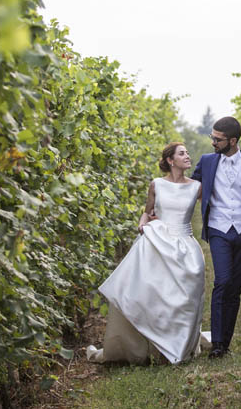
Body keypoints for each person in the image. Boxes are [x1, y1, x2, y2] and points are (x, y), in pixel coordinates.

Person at [86, 142, 207, 364]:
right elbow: (147, 212)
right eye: (182, 153)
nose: (188, 156)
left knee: (187, 297)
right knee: (156, 297)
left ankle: (181, 348)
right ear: (171, 160)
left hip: (185, 246)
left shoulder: (197, 186)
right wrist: (142, 225)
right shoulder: (156, 184)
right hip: (158, 242)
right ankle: (153, 347)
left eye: (188, 152)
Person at [188, 116, 241, 359]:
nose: (213, 142)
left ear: (233, 141)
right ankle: (216, 342)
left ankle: (224, 343)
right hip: (218, 229)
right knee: (222, 282)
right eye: (212, 137)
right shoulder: (206, 162)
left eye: (217, 139)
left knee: (235, 288)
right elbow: (187, 188)